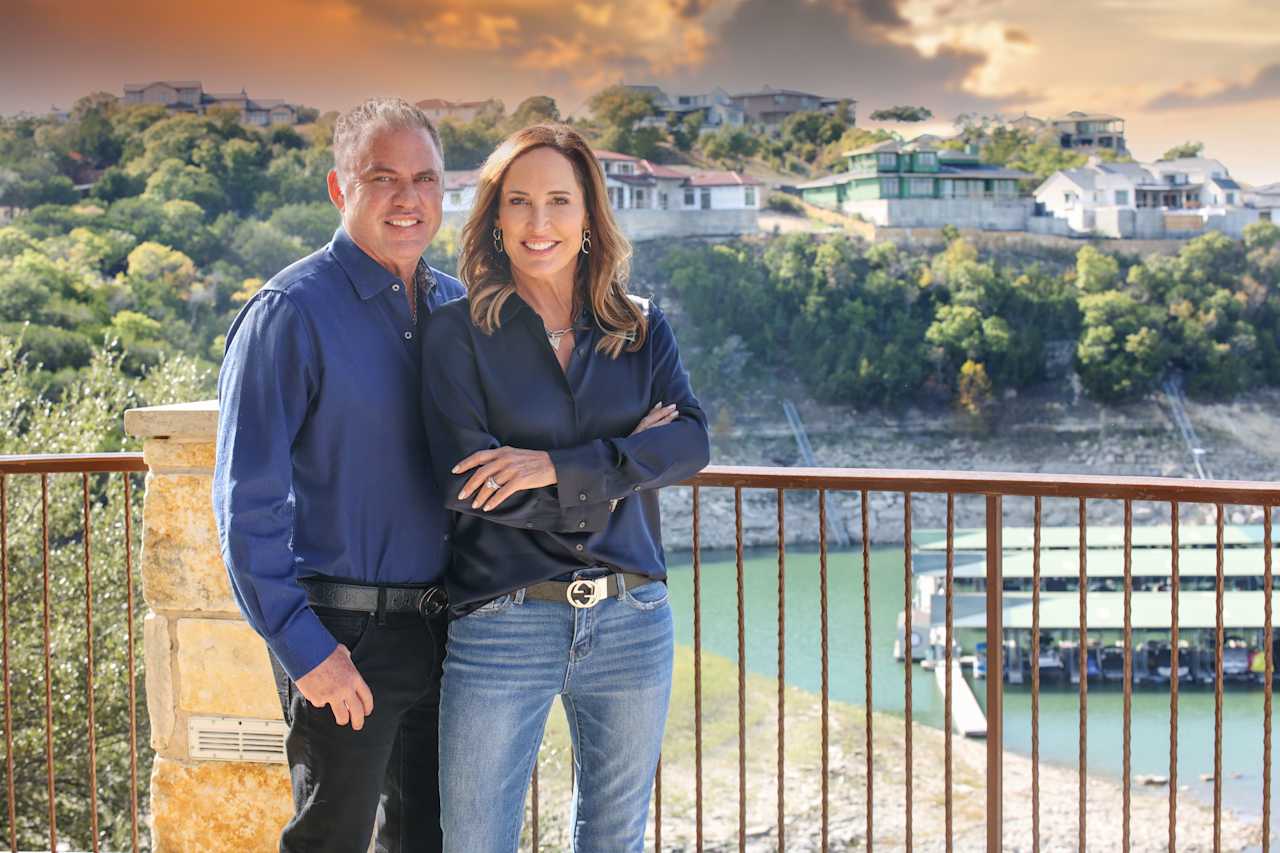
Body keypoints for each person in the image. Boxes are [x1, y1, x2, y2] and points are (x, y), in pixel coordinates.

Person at [421, 123, 711, 852]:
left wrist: (557, 465)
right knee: (475, 840)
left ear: (589, 215)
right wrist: (625, 461)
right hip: (503, 620)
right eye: (518, 202)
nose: (539, 222)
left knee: (614, 840)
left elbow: (691, 442)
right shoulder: (456, 334)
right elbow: (472, 486)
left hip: (633, 618)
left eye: (559, 200)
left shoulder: (640, 327)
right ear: (494, 220)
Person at [212, 97, 463, 853]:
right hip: (342, 639)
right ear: (338, 188)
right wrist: (304, 647)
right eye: (382, 177)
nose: (407, 198)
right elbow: (244, 502)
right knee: (331, 842)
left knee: (433, 839)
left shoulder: (456, 307)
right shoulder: (289, 312)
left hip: (450, 631)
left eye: (424, 178)